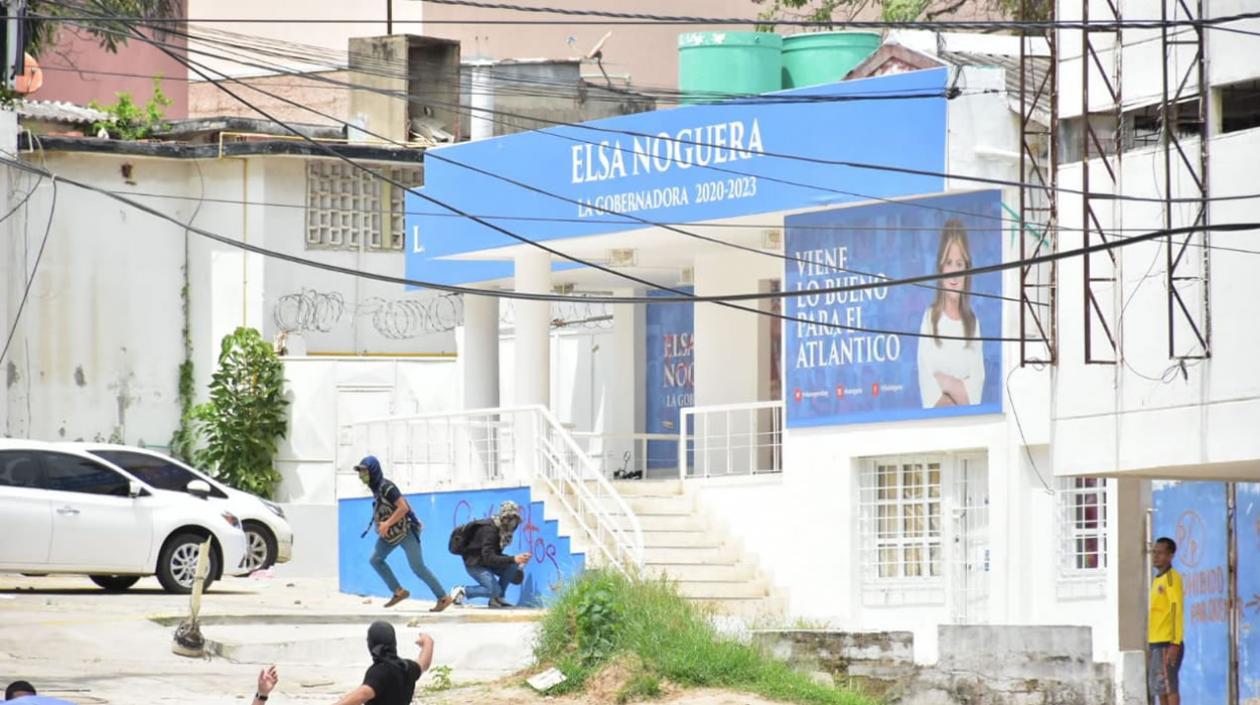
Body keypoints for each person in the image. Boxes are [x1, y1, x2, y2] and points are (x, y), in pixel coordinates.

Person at [356, 456, 454, 611]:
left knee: (418, 567)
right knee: (375, 559)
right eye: (360, 472)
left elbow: (403, 507)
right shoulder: (377, 488)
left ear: (373, 470)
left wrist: (388, 523)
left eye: (364, 471)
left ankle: (443, 597)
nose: (361, 475)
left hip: (406, 531)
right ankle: (398, 591)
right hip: (391, 534)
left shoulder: (387, 487)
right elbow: (402, 502)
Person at [918, 219, 985, 409]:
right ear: (940, 269)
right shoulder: (930, 320)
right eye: (949, 263)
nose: (954, 273)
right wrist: (960, 387)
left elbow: (975, 395)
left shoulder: (972, 323)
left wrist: (947, 382)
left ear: (966, 271)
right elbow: (929, 393)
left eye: (959, 264)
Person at [449, 501, 530, 608]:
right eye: (510, 518)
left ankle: (497, 599)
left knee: (512, 565)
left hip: (486, 561)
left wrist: (516, 561)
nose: (513, 523)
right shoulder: (490, 530)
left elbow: (494, 554)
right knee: (493, 590)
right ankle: (462, 591)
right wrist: (513, 559)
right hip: (475, 563)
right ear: (504, 518)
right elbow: (489, 557)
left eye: (515, 519)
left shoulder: (503, 531)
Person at [330, 622, 434, 705]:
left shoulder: (379, 671)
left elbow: (363, 694)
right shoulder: (406, 667)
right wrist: (428, 642)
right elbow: (423, 664)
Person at [1149, 536, 1184, 705]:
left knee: (1170, 688)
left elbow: (1176, 610)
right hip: (1155, 642)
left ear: (1170, 556)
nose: (1156, 556)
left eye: (1160, 553)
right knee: (1160, 689)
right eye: (1154, 552)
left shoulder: (1172, 578)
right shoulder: (1157, 579)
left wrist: (1175, 643)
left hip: (1167, 642)